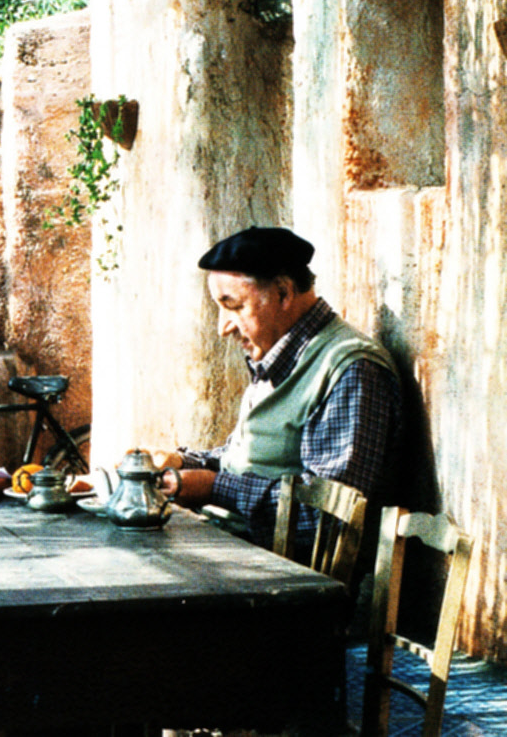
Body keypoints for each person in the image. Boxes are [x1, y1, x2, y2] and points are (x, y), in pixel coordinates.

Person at [152, 226, 401, 548]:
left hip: (289, 578)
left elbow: (327, 517)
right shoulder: (278, 357)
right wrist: (183, 463)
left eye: (234, 306)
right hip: (241, 549)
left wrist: (214, 487)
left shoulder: (351, 369)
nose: (222, 327)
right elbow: (247, 461)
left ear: (283, 293)